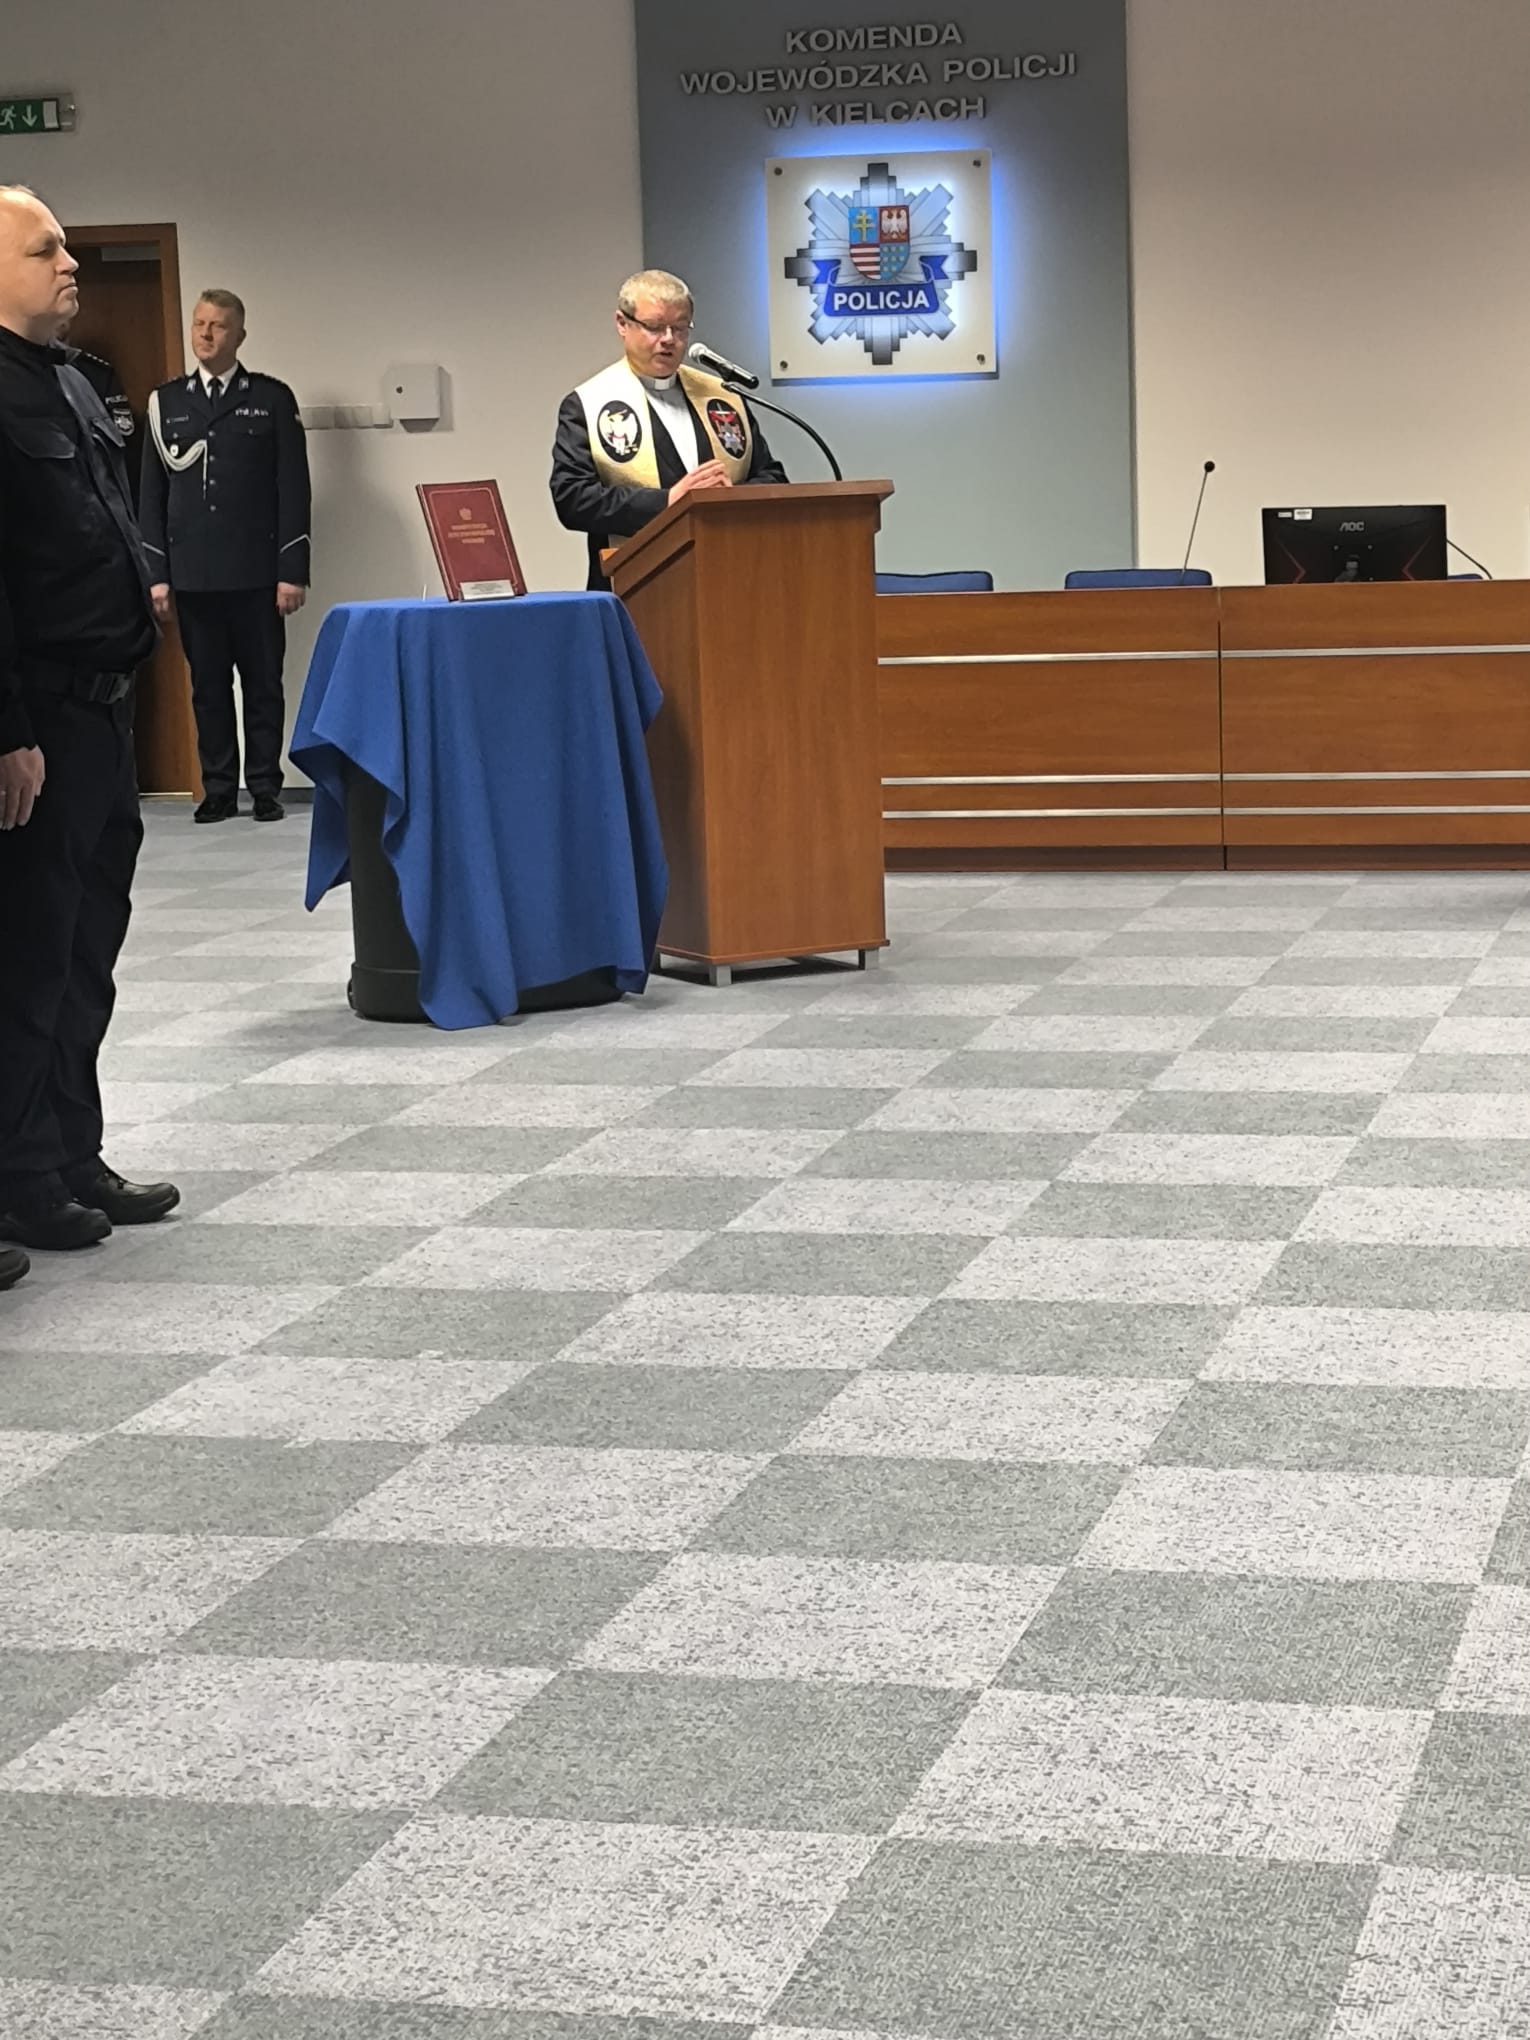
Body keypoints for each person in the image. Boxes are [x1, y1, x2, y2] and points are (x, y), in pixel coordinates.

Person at [0, 184, 181, 1275]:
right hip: (38, 722)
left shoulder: (73, 379)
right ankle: (19, 1174)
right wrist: (7, 729)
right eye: (46, 250)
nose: (70, 264)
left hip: (106, 710)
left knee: (86, 950)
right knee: (29, 955)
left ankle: (73, 1151)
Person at [139, 289, 311, 823]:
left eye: (217, 325)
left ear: (239, 335)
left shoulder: (271, 399)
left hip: (257, 574)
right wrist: (156, 576)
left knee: (263, 686)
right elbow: (151, 496)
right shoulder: (167, 402)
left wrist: (292, 571)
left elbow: (293, 489)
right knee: (208, 689)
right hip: (194, 576)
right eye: (199, 324)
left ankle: (264, 786)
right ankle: (217, 788)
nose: (206, 334)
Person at [550, 268, 787, 589]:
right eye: (654, 327)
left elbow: (772, 476)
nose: (668, 340)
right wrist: (669, 501)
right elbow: (572, 499)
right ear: (622, 323)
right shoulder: (588, 403)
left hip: (732, 575)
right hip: (639, 585)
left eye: (679, 328)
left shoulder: (722, 396)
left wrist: (732, 497)